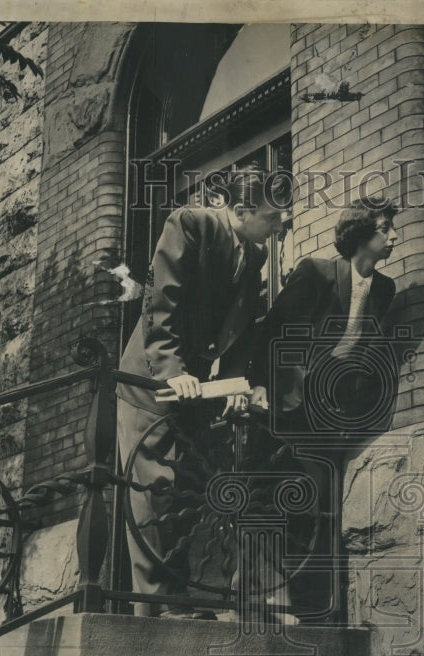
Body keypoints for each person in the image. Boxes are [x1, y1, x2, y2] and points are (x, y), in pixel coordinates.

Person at [116, 165, 289, 618]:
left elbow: (242, 331)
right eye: (274, 217)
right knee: (152, 490)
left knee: (185, 493)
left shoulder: (253, 257)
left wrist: (234, 382)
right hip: (150, 380)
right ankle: (155, 612)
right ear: (242, 209)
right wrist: (171, 370)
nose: (282, 223)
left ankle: (178, 603)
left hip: (193, 387)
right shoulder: (188, 223)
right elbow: (159, 301)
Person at [247, 197, 400, 622]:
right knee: (294, 500)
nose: (393, 236)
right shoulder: (315, 273)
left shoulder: (384, 290)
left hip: (333, 413)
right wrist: (260, 385)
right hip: (292, 406)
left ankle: (321, 612)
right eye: (384, 228)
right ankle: (277, 601)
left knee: (328, 504)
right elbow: (274, 330)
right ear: (360, 236)